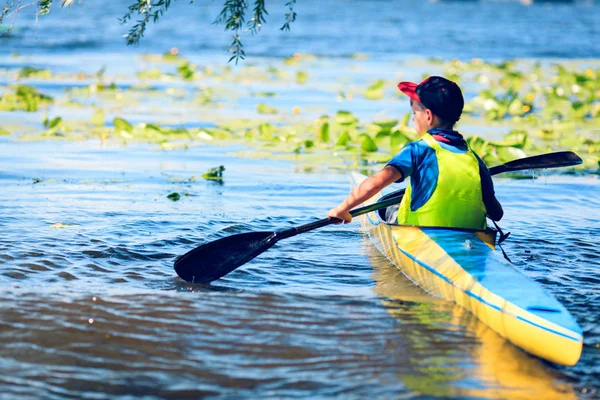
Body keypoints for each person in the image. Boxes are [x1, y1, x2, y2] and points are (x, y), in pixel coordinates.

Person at [327, 76, 503, 229]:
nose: (412, 118)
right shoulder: (474, 158)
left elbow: (374, 184)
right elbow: (496, 214)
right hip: (471, 238)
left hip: (421, 236)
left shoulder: (419, 150)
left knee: (389, 208)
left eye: (414, 112)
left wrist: (342, 209)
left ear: (428, 116)